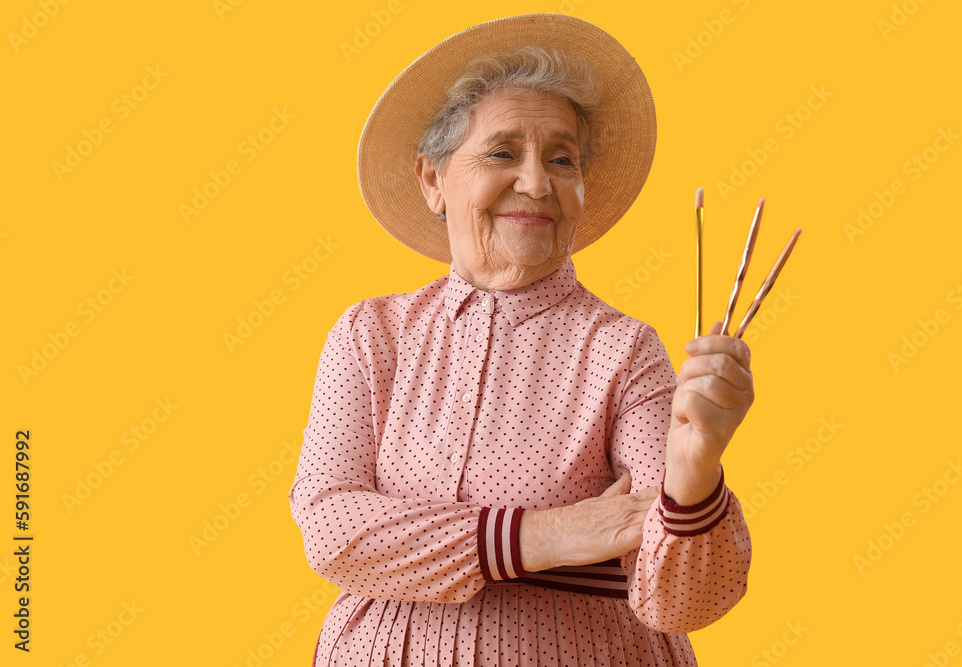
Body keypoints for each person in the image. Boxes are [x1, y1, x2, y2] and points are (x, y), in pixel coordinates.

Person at [289, 13, 754, 666]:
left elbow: (681, 602)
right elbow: (332, 528)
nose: (537, 182)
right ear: (432, 180)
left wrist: (696, 471)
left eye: (561, 158)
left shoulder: (625, 353)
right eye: (503, 151)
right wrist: (552, 534)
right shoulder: (371, 337)